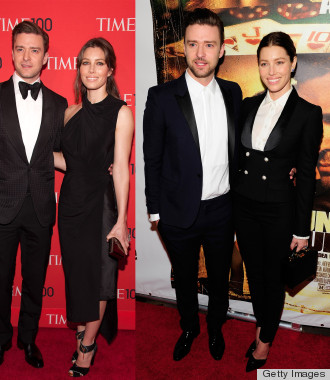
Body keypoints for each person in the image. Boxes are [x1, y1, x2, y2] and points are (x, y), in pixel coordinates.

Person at [0, 20, 67, 372]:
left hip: (40, 206)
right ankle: (0, 341)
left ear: (45, 58)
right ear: (11, 52)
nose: (27, 56)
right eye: (21, 48)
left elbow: (65, 154)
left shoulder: (59, 103)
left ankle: (29, 339)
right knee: (0, 280)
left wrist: (103, 164)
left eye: (35, 50)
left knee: (35, 280)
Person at [143, 8, 242, 362]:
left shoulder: (233, 92)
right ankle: (189, 327)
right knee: (183, 278)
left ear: (221, 50)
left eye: (209, 45)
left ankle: (216, 326)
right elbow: (151, 159)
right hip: (176, 210)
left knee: (219, 277)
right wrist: (155, 211)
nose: (201, 53)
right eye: (194, 44)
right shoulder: (161, 97)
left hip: (222, 209)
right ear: (184, 48)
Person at [233, 31, 322, 372]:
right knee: (255, 276)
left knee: (272, 278)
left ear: (293, 63)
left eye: (279, 62)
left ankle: (264, 341)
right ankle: (263, 325)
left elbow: (307, 176)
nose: (272, 71)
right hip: (244, 207)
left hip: (278, 212)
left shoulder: (307, 114)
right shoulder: (248, 105)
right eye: (265, 63)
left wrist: (301, 229)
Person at [54, 37, 134, 377]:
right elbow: (67, 161)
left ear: (110, 69)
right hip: (71, 203)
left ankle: (87, 347)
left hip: (102, 206)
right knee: (79, 276)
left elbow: (121, 169)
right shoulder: (69, 112)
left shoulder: (121, 112)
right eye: (86, 62)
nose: (91, 69)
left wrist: (121, 220)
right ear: (79, 68)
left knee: (101, 277)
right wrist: (31, 157)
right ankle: (85, 331)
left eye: (99, 62)